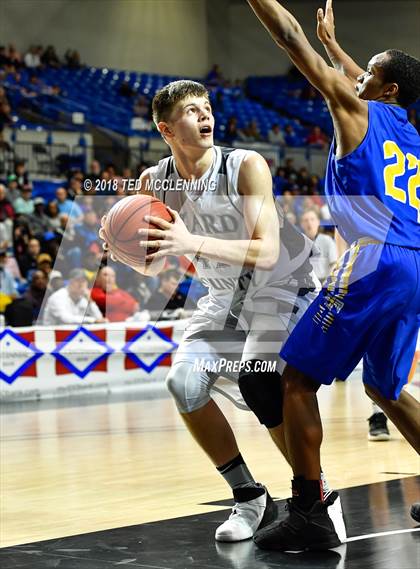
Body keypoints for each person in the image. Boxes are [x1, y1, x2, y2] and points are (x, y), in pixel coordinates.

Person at [100, 79, 345, 543]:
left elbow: (268, 251)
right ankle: (249, 496)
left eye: (207, 106)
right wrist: (124, 250)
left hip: (282, 286)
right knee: (183, 384)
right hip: (223, 296)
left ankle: (316, 499)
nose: (205, 115)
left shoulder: (244, 166)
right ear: (166, 129)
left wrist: (190, 241)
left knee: (258, 379)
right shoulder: (154, 183)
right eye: (192, 111)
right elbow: (152, 266)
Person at [247, 0, 420, 551]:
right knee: (385, 388)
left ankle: (309, 510)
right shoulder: (410, 132)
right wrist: (340, 51)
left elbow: (289, 34)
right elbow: (365, 80)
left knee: (294, 378)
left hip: (373, 258)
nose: (355, 76)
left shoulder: (358, 110)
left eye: (367, 73)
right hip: (415, 262)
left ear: (384, 90)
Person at [300, 209, 337, 284]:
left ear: (318, 222)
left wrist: (327, 283)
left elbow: (334, 264)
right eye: (306, 220)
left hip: (323, 281)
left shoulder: (327, 240)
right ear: (302, 224)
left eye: (312, 219)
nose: (309, 222)